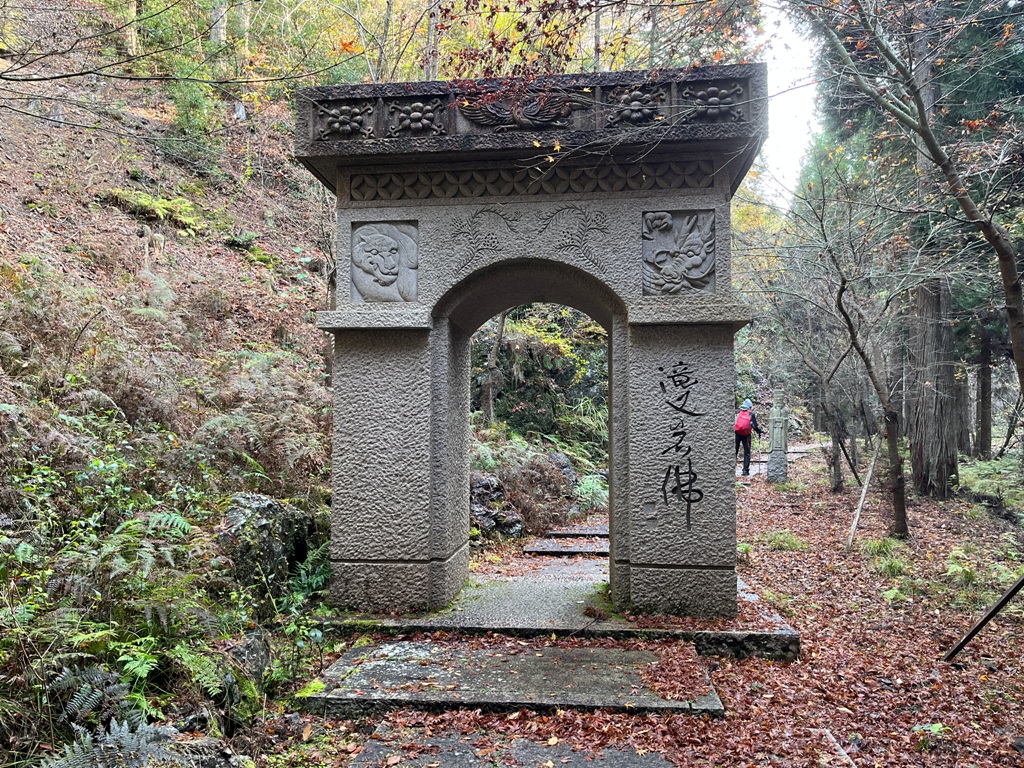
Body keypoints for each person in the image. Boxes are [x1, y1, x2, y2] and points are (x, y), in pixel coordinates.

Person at [734, 399, 763, 476]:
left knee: (734, 451)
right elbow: (755, 426)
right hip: (746, 435)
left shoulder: (738, 411)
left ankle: (731, 469)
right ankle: (745, 471)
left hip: (736, 434)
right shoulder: (751, 414)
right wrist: (759, 432)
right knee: (747, 452)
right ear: (750, 407)